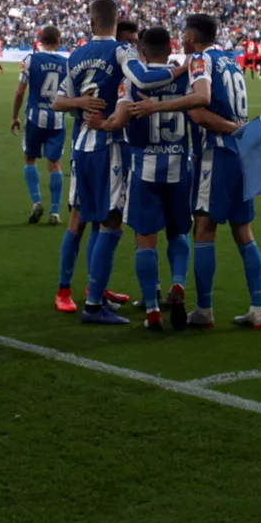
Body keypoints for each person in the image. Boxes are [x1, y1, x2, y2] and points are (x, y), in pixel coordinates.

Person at [51, 0, 177, 323]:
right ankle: (92, 304)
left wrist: (81, 101)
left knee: (86, 218)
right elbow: (145, 79)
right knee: (109, 221)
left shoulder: (76, 54)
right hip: (110, 145)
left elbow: (58, 102)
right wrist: (188, 67)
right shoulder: (121, 52)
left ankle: (87, 292)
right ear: (116, 19)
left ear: (91, 21)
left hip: (81, 144)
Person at [94, 26, 199, 331]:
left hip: (144, 168)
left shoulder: (132, 81)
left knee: (145, 239)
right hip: (180, 166)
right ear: (170, 47)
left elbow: (119, 121)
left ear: (141, 50)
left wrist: (101, 124)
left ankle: (152, 309)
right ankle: (177, 285)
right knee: (179, 233)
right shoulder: (185, 77)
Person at [181, 12, 261, 329]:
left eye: (183, 33)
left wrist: (228, 128)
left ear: (192, 37)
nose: (181, 38)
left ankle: (204, 309)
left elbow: (200, 114)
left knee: (203, 230)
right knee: (243, 231)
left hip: (215, 154)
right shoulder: (231, 60)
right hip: (241, 155)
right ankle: (258, 307)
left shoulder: (201, 61)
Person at [10, 25, 68, 225]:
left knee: (30, 159)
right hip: (58, 119)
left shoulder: (30, 60)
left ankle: (36, 202)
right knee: (55, 164)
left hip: (35, 118)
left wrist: (14, 117)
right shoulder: (67, 64)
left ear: (40, 40)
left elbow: (19, 92)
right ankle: (55, 213)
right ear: (58, 41)